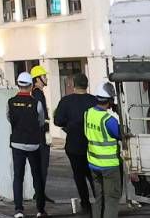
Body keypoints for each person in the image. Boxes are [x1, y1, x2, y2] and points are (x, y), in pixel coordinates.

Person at [7, 65, 50, 218]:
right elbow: (40, 121)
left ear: (18, 85)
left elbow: (9, 119)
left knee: (18, 176)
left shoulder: (10, 102)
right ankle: (40, 209)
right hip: (34, 144)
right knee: (36, 176)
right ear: (30, 85)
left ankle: (19, 209)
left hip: (17, 143)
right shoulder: (36, 103)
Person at [53, 71, 98, 213]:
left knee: (79, 176)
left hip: (74, 145)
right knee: (94, 176)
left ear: (73, 85)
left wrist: (69, 125)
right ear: (87, 85)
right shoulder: (94, 101)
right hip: (93, 145)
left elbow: (57, 120)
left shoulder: (66, 101)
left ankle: (85, 204)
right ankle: (100, 201)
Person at [85, 82, 125, 218]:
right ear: (110, 101)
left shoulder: (88, 114)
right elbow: (123, 134)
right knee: (111, 199)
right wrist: (119, 112)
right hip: (109, 167)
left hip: (93, 164)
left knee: (99, 198)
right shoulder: (108, 120)